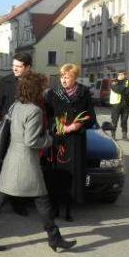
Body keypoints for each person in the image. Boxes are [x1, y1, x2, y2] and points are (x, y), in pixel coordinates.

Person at [0, 72, 76, 253]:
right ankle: (54, 238)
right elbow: (31, 141)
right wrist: (50, 139)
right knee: (42, 198)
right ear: (36, 89)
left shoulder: (16, 105)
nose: (45, 89)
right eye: (43, 87)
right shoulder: (35, 110)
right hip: (26, 161)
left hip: (12, 157)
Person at [46, 63, 96, 205]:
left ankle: (71, 202)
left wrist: (78, 125)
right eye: (62, 77)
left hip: (76, 141)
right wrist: (57, 127)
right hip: (58, 140)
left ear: (75, 77)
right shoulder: (53, 93)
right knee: (57, 172)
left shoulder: (84, 93)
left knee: (74, 172)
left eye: (67, 77)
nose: (64, 80)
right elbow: (47, 117)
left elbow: (91, 118)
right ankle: (55, 203)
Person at [0, 52, 34, 216]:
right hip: (8, 130)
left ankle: (19, 202)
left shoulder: (35, 82)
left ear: (28, 67)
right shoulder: (6, 81)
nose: (15, 69)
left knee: (22, 168)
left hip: (26, 132)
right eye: (13, 66)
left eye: (19, 66)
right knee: (0, 165)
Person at [109, 71, 129, 140]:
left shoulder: (127, 82)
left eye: (125, 74)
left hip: (126, 103)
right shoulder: (113, 82)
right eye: (123, 74)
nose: (125, 76)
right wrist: (125, 88)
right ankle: (113, 135)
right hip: (116, 104)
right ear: (119, 75)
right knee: (114, 120)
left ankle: (124, 136)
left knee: (124, 120)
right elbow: (118, 90)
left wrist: (125, 89)